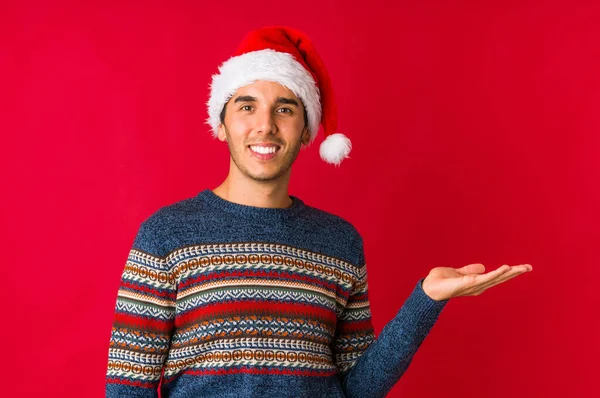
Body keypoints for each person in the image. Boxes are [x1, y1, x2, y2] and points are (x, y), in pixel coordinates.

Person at [105, 26, 533, 398]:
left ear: (306, 129)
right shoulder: (166, 235)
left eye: (285, 109)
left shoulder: (339, 241)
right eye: (247, 105)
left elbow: (358, 388)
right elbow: (128, 389)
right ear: (220, 124)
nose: (265, 125)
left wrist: (425, 300)